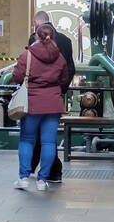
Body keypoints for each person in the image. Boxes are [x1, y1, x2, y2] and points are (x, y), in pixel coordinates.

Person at [11, 22, 71, 192]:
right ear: (53, 37)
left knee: (27, 140)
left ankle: (23, 177)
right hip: (53, 104)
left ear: (36, 36)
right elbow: (64, 79)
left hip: (32, 104)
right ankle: (42, 180)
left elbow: (16, 77)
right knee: (49, 142)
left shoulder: (27, 56)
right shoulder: (60, 57)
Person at [26, 10, 74, 183]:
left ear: (37, 23)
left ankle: (53, 170)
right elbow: (70, 69)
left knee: (40, 134)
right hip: (55, 96)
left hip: (37, 96)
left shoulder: (34, 40)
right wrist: (60, 90)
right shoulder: (66, 41)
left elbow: (27, 69)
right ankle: (37, 167)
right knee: (46, 133)